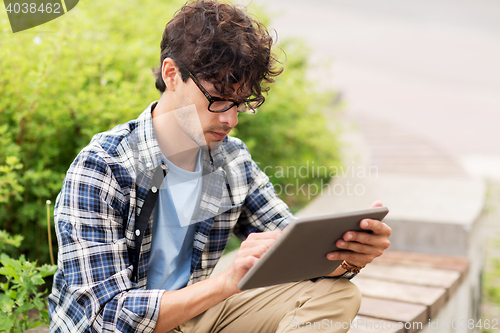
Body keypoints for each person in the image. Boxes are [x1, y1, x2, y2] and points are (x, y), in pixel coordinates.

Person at [48, 1, 392, 332]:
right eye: (217, 99)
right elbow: (105, 319)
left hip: (196, 315)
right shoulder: (104, 168)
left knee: (336, 295)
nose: (230, 119)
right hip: (128, 324)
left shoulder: (231, 161)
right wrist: (226, 283)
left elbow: (290, 252)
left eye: (239, 104)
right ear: (172, 73)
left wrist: (346, 256)